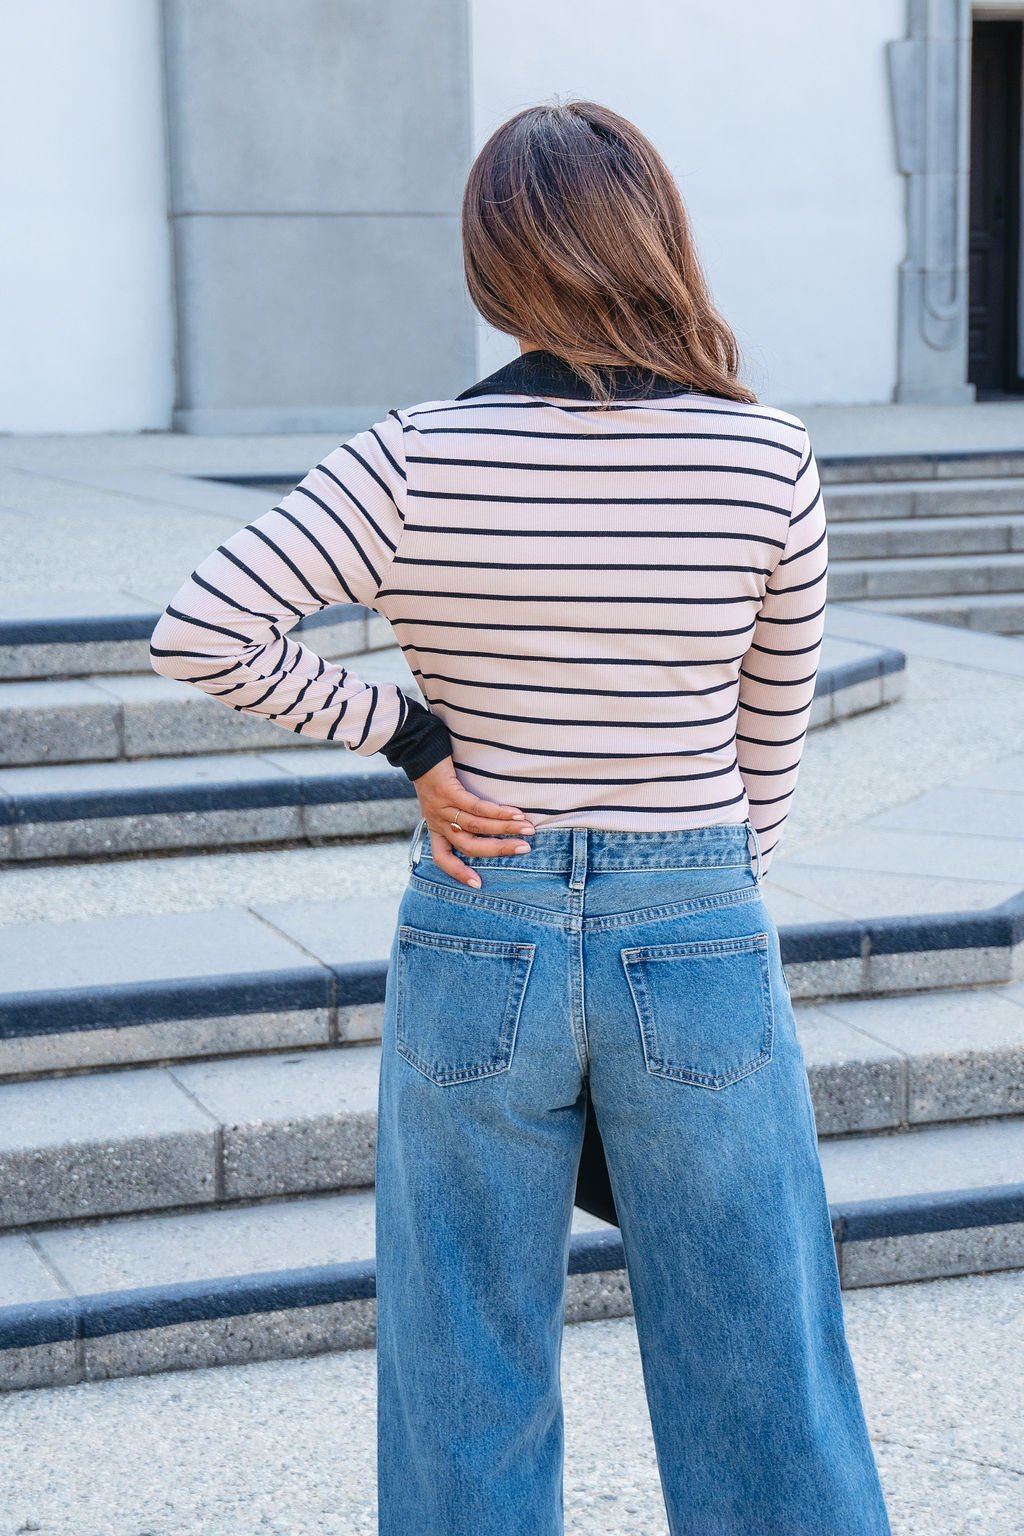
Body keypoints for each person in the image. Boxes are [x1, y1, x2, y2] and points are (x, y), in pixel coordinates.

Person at [150, 98, 892, 1536]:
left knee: (462, 1355)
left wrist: (412, 741)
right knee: (760, 1352)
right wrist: (693, 883)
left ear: (495, 261)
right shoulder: (765, 457)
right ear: (658, 240)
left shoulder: (411, 457)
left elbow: (200, 628)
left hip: (480, 921)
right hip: (696, 926)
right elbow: (767, 754)